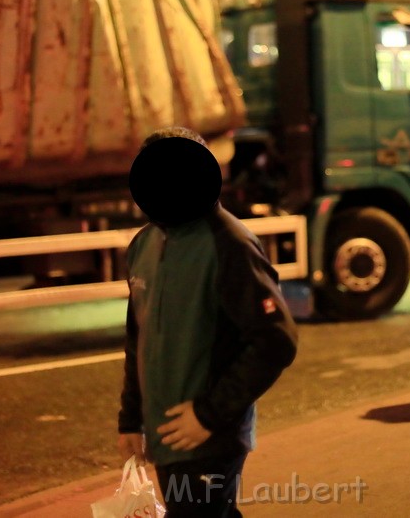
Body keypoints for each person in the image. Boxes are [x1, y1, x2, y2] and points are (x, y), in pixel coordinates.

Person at [119, 127, 298, 517]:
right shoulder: (143, 246)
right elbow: (138, 338)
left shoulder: (229, 244)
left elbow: (275, 340)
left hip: (210, 438)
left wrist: (209, 415)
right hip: (165, 434)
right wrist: (131, 419)